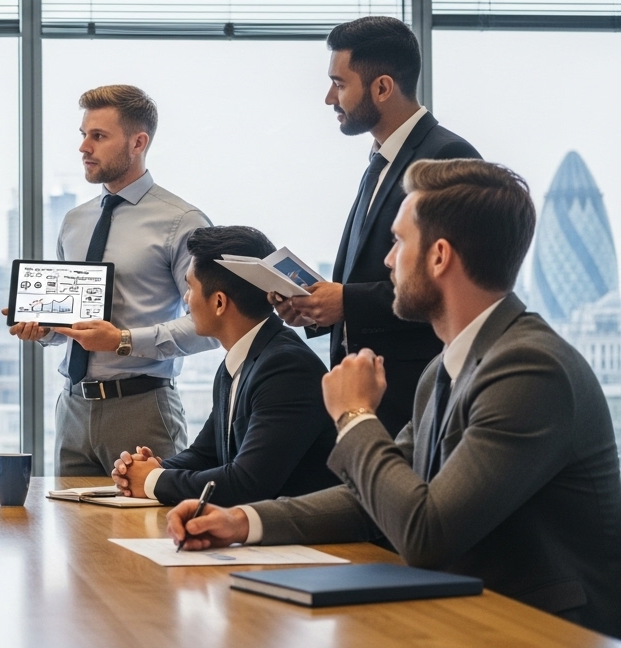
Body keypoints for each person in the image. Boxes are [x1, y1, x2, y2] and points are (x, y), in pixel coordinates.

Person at [167, 160, 621, 637]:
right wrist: (242, 521)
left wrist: (355, 415)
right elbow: (374, 499)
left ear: (439, 256)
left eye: (399, 242)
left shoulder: (530, 370)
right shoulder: (444, 369)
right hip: (463, 612)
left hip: (538, 628)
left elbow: (427, 534)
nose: (388, 261)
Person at [273, 16, 480, 437]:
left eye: (340, 83)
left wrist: (346, 301)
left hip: (412, 400)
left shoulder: (446, 155)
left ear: (382, 87)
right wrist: (316, 307)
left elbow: (452, 285)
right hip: (369, 395)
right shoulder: (380, 160)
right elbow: (369, 278)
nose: (329, 97)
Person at [7, 85, 219, 476]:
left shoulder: (182, 222)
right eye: (84, 135)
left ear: (138, 142)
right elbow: (72, 328)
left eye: (98, 136)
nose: (84, 147)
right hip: (72, 409)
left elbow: (212, 327)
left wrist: (122, 341)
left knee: (149, 533)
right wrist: (44, 330)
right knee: (74, 534)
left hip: (142, 410)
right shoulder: (74, 221)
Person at [109, 226, 337, 506]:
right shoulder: (241, 360)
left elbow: (247, 484)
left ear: (219, 302)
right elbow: (206, 455)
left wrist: (153, 480)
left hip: (303, 541)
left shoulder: (286, 367)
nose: (186, 300)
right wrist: (149, 468)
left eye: (190, 287)